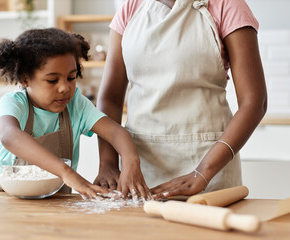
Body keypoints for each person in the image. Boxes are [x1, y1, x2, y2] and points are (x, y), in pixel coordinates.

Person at [94, 0, 267, 199]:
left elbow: (254, 102)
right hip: (140, 174)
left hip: (210, 174)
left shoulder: (228, 5)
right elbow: (110, 99)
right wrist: (107, 163)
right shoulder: (132, 7)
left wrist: (203, 172)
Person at [0, 28, 150, 199]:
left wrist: (131, 161)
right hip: (9, 201)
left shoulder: (75, 105)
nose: (64, 87)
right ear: (25, 78)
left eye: (71, 77)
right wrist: (67, 173)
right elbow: (9, 136)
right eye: (52, 80)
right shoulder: (14, 103)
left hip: (57, 203)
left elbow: (116, 132)